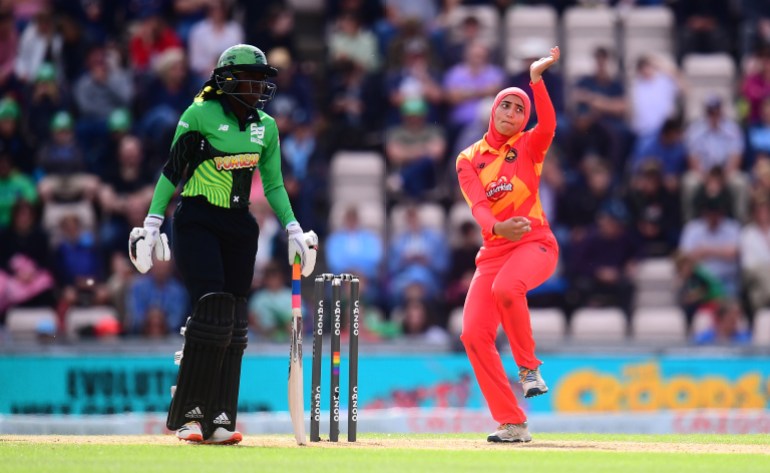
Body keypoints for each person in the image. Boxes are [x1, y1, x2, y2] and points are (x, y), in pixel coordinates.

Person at [127, 44, 318, 445]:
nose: (259, 86)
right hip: (197, 220)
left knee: (232, 320)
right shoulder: (198, 114)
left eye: (263, 79)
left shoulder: (265, 126)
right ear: (228, 80)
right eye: (252, 78)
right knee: (211, 307)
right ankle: (189, 414)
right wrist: (152, 221)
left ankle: (218, 417)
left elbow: (274, 183)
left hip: (239, 226)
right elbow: (171, 171)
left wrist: (293, 227)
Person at [455, 46, 561, 443]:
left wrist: (535, 81)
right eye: (507, 106)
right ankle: (512, 422)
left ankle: (529, 369)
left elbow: (548, 122)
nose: (513, 113)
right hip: (495, 251)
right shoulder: (469, 158)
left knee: (507, 289)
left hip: (537, 244)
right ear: (493, 111)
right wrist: (499, 229)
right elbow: (479, 208)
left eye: (520, 109)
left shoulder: (531, 147)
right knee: (473, 335)